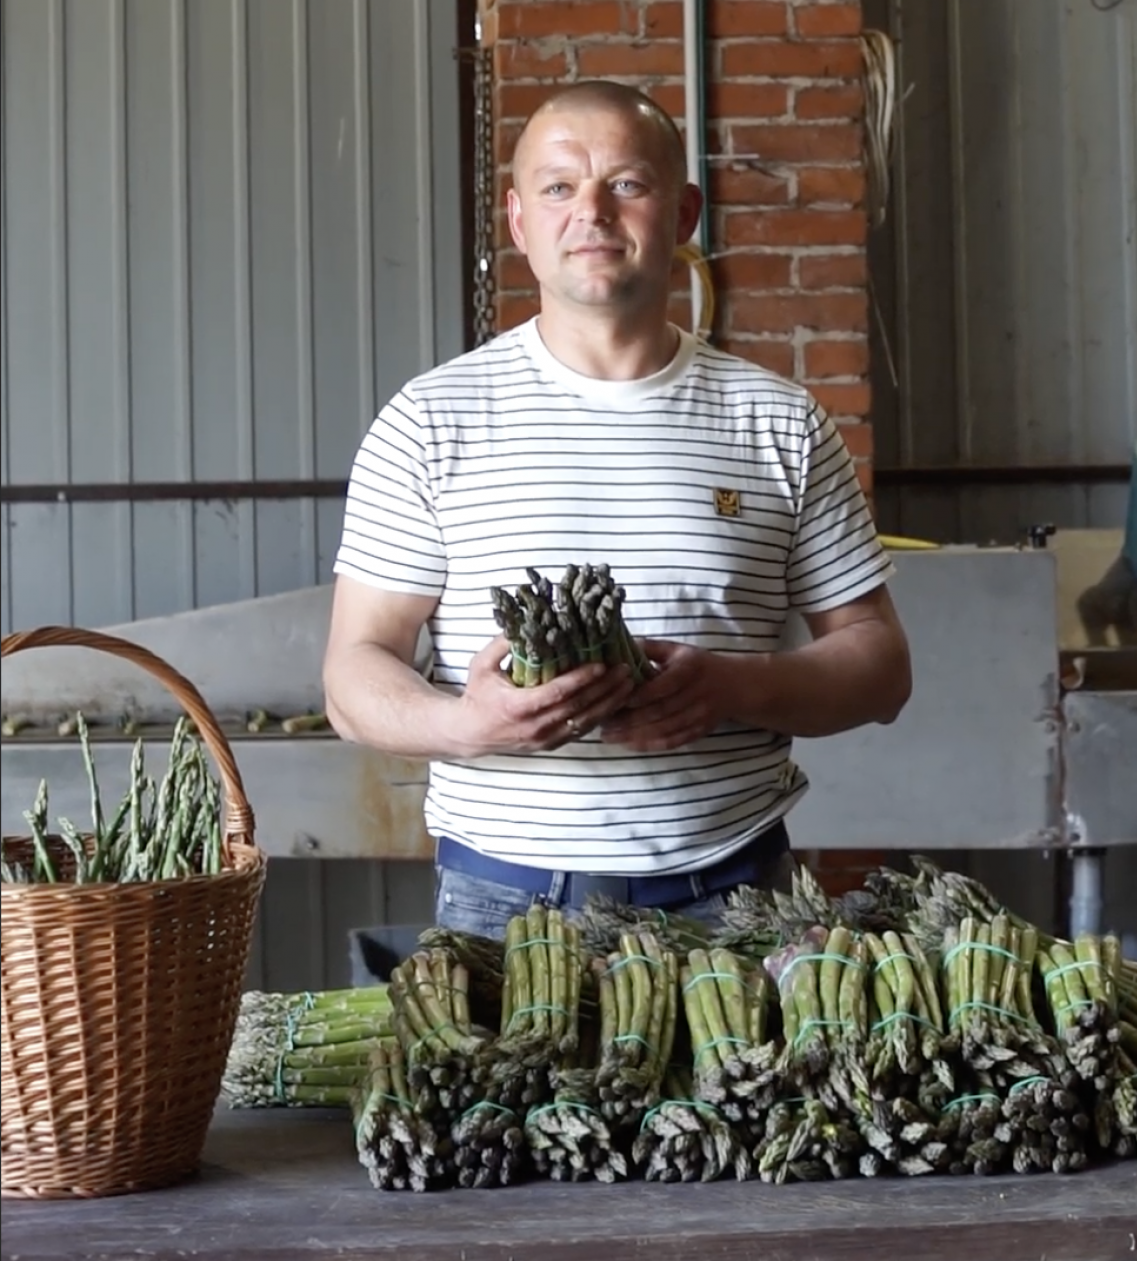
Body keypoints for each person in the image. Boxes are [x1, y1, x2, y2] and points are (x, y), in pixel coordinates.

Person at [322, 80, 912, 941]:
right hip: (503, 899)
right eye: (560, 187)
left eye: (626, 184)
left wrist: (731, 687)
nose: (591, 211)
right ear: (521, 222)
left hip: (735, 889)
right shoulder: (430, 421)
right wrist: (470, 722)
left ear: (681, 215)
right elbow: (352, 676)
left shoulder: (778, 420)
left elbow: (881, 665)